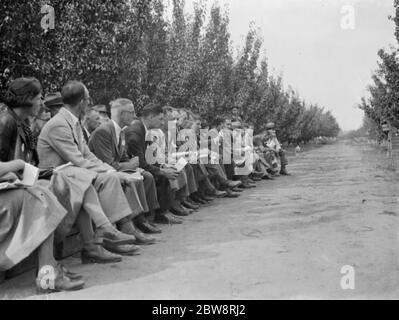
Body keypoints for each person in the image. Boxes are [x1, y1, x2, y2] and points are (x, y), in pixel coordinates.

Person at [37, 81, 144, 253]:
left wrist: (110, 170)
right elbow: (78, 159)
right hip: (56, 177)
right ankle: (109, 231)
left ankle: (112, 232)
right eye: (87, 99)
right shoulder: (58, 124)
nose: (88, 103)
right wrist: (112, 172)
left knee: (110, 177)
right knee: (106, 178)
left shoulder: (73, 121)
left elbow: (87, 155)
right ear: (81, 102)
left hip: (72, 175)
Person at [89, 98, 162, 237]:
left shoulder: (120, 131)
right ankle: (131, 225)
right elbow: (107, 163)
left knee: (142, 175)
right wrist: (129, 165)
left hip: (113, 170)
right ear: (122, 115)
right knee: (129, 179)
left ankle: (141, 219)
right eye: (131, 112)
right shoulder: (103, 132)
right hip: (101, 173)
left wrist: (134, 166)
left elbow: (122, 157)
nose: (135, 115)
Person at [125, 103, 187, 225]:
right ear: (150, 117)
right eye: (160, 119)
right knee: (156, 175)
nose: (163, 123)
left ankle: (163, 212)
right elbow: (141, 163)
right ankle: (151, 216)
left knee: (165, 172)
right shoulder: (135, 132)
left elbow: (152, 157)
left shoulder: (144, 129)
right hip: (130, 167)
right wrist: (162, 171)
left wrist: (163, 167)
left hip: (137, 165)